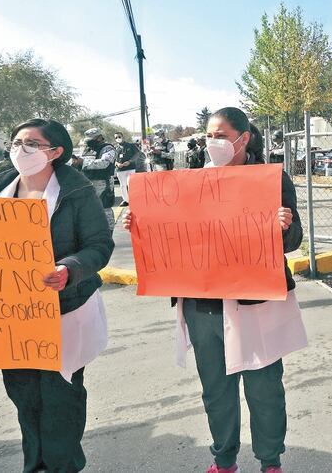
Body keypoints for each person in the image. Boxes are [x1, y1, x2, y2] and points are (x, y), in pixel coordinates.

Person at [123, 107, 306, 473]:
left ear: (244, 138)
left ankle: (270, 461)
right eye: (209, 135)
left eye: (221, 135)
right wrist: (138, 221)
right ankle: (224, 460)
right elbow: (170, 234)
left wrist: (283, 226)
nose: (213, 142)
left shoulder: (269, 179)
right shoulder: (188, 183)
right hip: (202, 304)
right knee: (216, 391)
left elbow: (294, 239)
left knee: (265, 390)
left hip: (256, 302)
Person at [0, 118, 114, 473]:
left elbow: (99, 245)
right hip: (13, 317)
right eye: (17, 141)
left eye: (31, 143)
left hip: (65, 313)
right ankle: (36, 464)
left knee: (61, 399)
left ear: (55, 152)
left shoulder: (77, 192)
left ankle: (64, 465)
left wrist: (69, 269)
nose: (19, 149)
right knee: (25, 398)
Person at [70, 127, 116, 229]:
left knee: (105, 208)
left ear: (99, 138)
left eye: (91, 139)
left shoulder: (108, 149)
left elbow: (104, 163)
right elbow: (79, 160)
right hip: (87, 182)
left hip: (104, 184)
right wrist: (75, 162)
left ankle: (108, 233)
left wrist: (83, 162)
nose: (89, 142)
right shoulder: (87, 149)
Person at [113, 131, 140, 206]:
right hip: (120, 170)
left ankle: (133, 199)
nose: (118, 138)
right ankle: (126, 200)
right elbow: (113, 159)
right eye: (116, 137)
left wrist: (129, 161)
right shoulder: (115, 148)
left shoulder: (130, 145)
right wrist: (117, 163)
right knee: (122, 185)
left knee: (130, 184)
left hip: (130, 168)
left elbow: (137, 154)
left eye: (119, 137)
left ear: (123, 137)